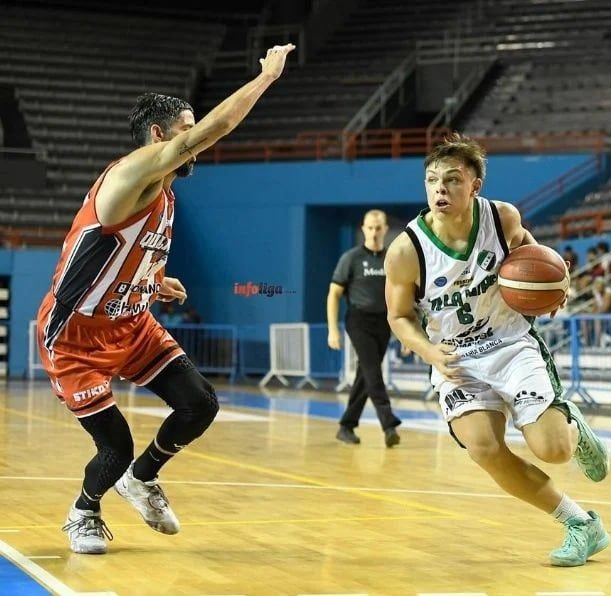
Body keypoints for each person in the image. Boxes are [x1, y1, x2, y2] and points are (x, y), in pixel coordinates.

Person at [36, 43, 296, 554]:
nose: (193, 140)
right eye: (185, 129)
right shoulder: (128, 174)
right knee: (115, 446)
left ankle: (143, 479)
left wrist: (154, 283)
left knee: (200, 404)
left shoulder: (165, 195)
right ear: (159, 136)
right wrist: (265, 78)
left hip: (131, 324)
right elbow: (217, 129)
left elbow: (116, 259)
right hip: (76, 335)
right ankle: (83, 512)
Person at [384, 132, 610, 567]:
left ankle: (574, 432)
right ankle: (581, 524)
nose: (440, 189)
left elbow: (531, 254)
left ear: (474, 186)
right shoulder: (406, 250)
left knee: (554, 450)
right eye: (432, 180)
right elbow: (399, 317)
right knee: (485, 448)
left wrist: (555, 287)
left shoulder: (502, 218)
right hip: (455, 358)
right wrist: (428, 352)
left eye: (452, 180)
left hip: (510, 344)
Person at [327, 209, 402, 447]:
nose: (374, 232)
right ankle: (388, 423)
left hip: (384, 321)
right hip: (358, 320)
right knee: (372, 370)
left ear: (385, 229)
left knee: (366, 374)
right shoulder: (351, 258)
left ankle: (346, 426)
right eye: (370, 227)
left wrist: (405, 334)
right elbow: (334, 294)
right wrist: (333, 329)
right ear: (363, 229)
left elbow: (403, 295)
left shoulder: (393, 259)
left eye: (378, 227)